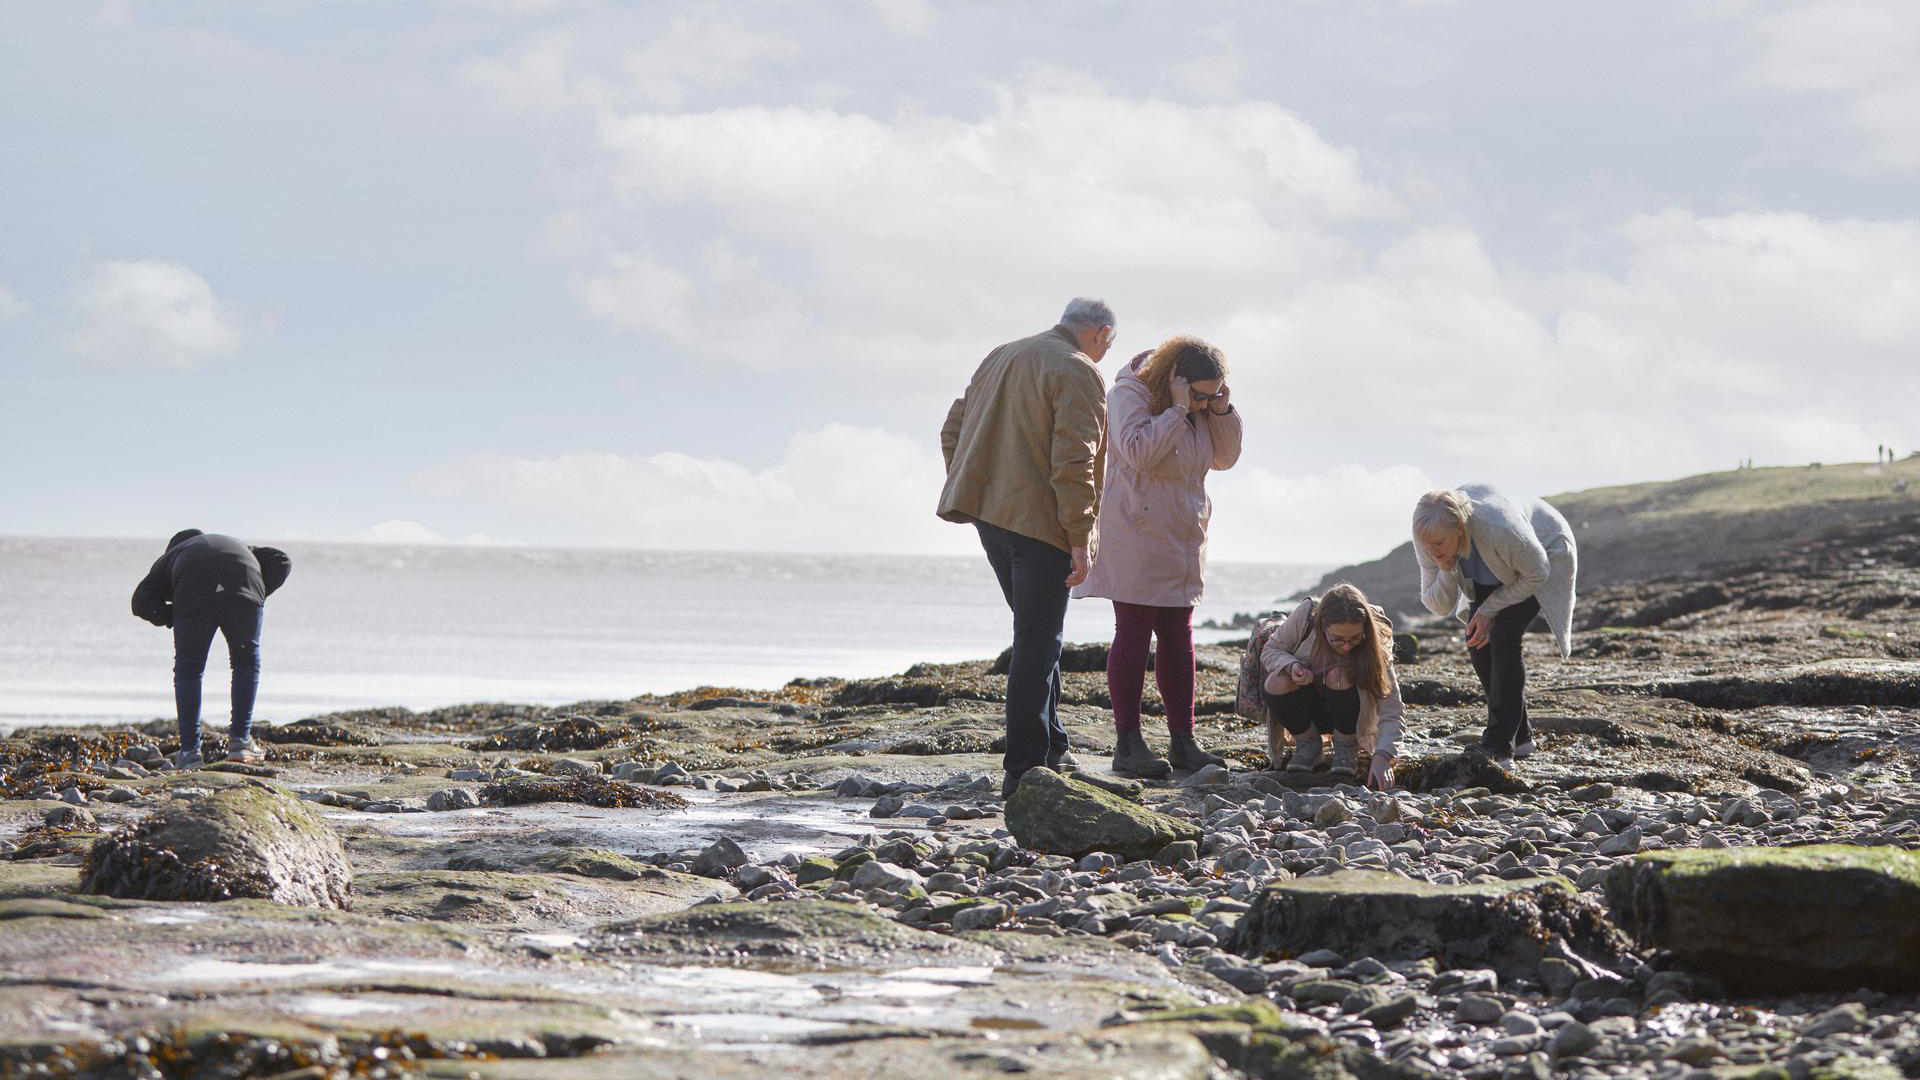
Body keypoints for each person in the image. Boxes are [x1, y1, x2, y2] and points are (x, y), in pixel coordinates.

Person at [939, 298, 1112, 797]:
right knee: (1038, 645)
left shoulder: (1002, 354)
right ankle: (1025, 772)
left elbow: (953, 427)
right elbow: (1073, 460)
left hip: (990, 518)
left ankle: (1052, 745)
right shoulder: (1079, 370)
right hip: (1041, 525)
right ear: (1102, 334)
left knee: (1039, 635)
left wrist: (975, 484)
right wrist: (1081, 535)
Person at [1072, 335, 1241, 777]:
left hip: (1183, 534)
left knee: (1178, 634)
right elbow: (1138, 453)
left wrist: (1220, 410)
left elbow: (1225, 458)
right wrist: (1179, 410)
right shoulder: (1129, 392)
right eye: (1201, 394)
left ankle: (1183, 741)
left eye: (1214, 394)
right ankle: (1127, 744)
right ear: (1176, 380)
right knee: (1133, 632)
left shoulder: (1206, 408)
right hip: (1137, 531)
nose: (1206, 403)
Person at [1411, 485, 1577, 762]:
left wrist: (1489, 609)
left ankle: (1499, 745)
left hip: (1542, 556)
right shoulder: (1429, 534)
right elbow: (1439, 604)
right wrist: (1447, 566)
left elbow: (1538, 573)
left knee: (1503, 636)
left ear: (1460, 530)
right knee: (1478, 642)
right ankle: (1521, 738)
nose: (1431, 550)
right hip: (1489, 572)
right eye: (1427, 545)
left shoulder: (1500, 528)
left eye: (1439, 544)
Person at [131, 530, 292, 768]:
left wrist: (172, 615)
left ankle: (189, 753)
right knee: (245, 663)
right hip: (245, 583)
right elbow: (282, 560)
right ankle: (239, 742)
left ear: (174, 547)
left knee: (189, 671)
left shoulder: (171, 557)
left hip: (193, 593)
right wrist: (251, 594)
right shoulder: (238, 543)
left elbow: (140, 602)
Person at [1258, 583, 1405, 789]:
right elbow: (1271, 649)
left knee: (1339, 675)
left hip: (1350, 715)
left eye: (1354, 639)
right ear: (1321, 625)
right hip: (1309, 708)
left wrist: (1383, 755)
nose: (1346, 646)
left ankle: (1346, 746)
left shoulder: (1375, 641)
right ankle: (1308, 744)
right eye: (1337, 639)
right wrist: (1291, 666)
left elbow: (1392, 707)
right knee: (1276, 681)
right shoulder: (1306, 616)